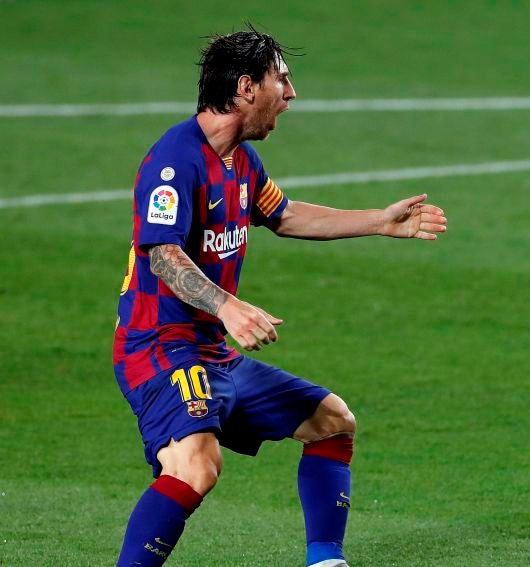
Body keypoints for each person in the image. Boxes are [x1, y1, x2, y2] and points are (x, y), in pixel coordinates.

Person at [113, 27, 446, 567]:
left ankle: (326, 561)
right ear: (246, 87)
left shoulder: (241, 161)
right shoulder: (174, 162)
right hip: (159, 349)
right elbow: (163, 255)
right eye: (282, 80)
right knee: (196, 466)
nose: (291, 94)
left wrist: (378, 222)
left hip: (210, 352)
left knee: (332, 421)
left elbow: (283, 214)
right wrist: (227, 306)